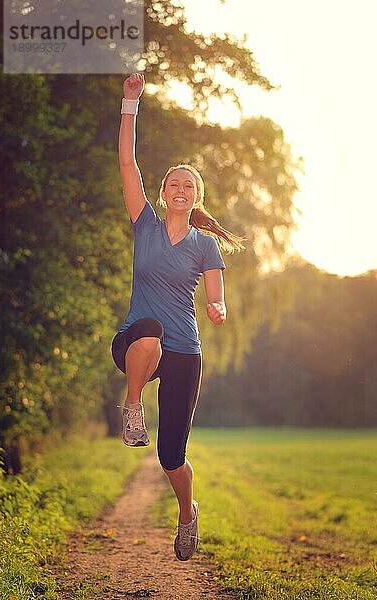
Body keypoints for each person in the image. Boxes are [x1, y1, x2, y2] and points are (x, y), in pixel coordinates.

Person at [111, 72, 245, 561]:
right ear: (164, 192)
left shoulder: (205, 244)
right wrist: (131, 104)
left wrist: (218, 308)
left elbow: (218, 300)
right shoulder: (143, 222)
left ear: (197, 196)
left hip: (185, 351)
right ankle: (131, 408)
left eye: (189, 184)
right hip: (138, 341)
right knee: (150, 333)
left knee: (171, 455)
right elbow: (127, 160)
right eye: (174, 183)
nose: (180, 188)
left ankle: (188, 514)